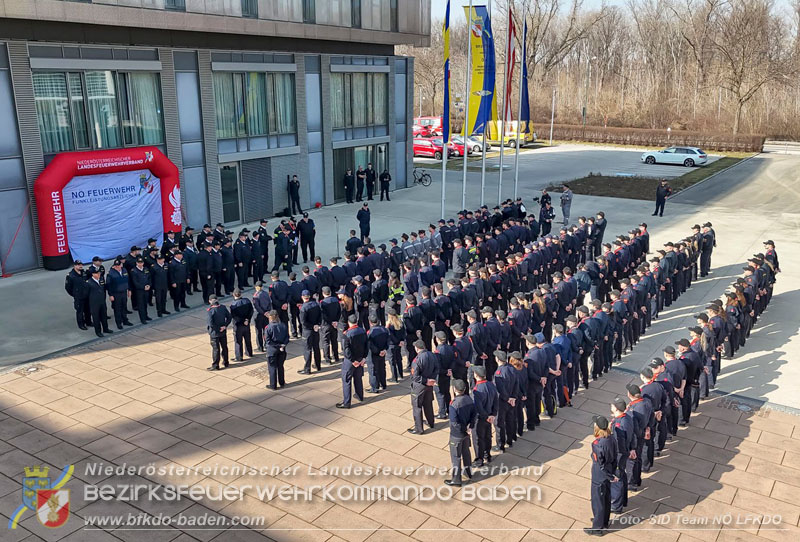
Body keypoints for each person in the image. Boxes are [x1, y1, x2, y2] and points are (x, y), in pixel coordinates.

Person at [585, 415, 617, 536]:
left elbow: (600, 463)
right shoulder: (612, 438)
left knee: (597, 501)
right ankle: (604, 521)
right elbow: (614, 456)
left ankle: (597, 527)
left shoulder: (597, 444)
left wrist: (609, 476)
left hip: (600, 475)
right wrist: (612, 473)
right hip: (609, 470)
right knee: (606, 498)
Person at [445, 379, 476, 487]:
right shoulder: (469, 399)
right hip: (466, 433)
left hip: (457, 435)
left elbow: (454, 422)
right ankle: (469, 472)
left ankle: (456, 479)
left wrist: (464, 429)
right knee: (466, 453)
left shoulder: (454, 404)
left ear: (454, 389)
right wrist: (470, 427)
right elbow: (473, 415)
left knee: (456, 457)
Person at [610, 397, 635, 514]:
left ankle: (616, 505)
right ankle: (623, 500)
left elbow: (619, 444)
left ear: (615, 408)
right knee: (622, 475)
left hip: (619, 454)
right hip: (624, 452)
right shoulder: (627, 418)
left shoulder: (619, 424)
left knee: (616, 478)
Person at [338, 314, 368, 408]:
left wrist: (352, 360)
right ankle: (360, 396)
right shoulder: (363, 331)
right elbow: (366, 345)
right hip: (360, 359)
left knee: (346, 380)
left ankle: (346, 402)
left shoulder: (347, 334)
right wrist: (364, 357)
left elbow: (346, 350)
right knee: (358, 378)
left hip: (350, 361)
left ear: (349, 322)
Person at [408, 339, 438, 434]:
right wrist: (431, 379)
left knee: (417, 407)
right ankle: (431, 422)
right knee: (428, 404)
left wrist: (426, 381)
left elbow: (415, 376)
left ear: (417, 348)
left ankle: (418, 429)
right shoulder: (432, 355)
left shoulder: (417, 360)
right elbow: (437, 368)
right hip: (429, 385)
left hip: (419, 387)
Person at [471, 365, 498, 468]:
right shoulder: (491, 385)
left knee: (478, 439)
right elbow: (496, 400)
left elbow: (478, 408)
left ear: (476, 375)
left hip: (480, 419)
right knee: (487, 436)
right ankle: (487, 454)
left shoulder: (477, 390)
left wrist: (486, 416)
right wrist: (492, 414)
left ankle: (479, 459)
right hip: (489, 417)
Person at [264, 310, 290, 389]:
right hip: (282, 349)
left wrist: (277, 345)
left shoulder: (268, 327)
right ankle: (282, 382)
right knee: (280, 366)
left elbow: (268, 341)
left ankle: (273, 385)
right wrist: (283, 345)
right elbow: (287, 337)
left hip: (272, 350)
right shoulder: (283, 325)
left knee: (272, 367)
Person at [298, 290, 322, 374]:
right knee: (316, 348)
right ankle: (318, 365)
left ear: (302, 297)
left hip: (307, 331)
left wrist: (312, 326)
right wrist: (317, 325)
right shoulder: (316, 304)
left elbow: (303, 322)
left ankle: (307, 369)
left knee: (307, 349)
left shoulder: (303, 308)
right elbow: (320, 316)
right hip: (315, 329)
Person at [206, 295, 232, 371]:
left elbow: (210, 323)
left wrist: (218, 329)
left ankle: (215, 365)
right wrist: (224, 326)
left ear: (210, 301)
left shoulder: (210, 310)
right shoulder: (223, 307)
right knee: (224, 347)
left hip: (215, 333)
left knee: (216, 349)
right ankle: (226, 362)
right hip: (223, 332)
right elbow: (229, 317)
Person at [106, 259, 133, 330]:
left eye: (119, 265)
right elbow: (108, 285)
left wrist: (129, 289)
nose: (118, 267)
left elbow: (128, 280)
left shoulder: (124, 270)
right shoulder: (111, 273)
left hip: (124, 291)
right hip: (116, 293)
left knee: (124, 307)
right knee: (117, 308)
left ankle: (125, 320)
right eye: (116, 266)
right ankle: (119, 323)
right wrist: (110, 295)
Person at [65, 260, 91, 330]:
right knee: (80, 311)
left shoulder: (84, 273)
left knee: (88, 310)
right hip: (79, 297)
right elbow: (68, 288)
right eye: (78, 265)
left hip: (86, 295)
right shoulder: (71, 276)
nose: (80, 266)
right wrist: (75, 294)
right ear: (75, 266)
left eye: (81, 264)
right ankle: (81, 324)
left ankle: (88, 322)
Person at [87, 267, 113, 338]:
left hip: (102, 301)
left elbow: (104, 288)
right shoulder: (89, 282)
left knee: (104, 316)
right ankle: (98, 331)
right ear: (93, 274)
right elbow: (86, 294)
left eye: (99, 273)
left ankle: (106, 328)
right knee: (96, 318)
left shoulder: (101, 279)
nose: (98, 274)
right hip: (94, 303)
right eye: (96, 273)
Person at [367, 314, 389, 392]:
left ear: (370, 322)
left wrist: (378, 351)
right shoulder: (384, 329)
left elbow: (371, 345)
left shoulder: (370, 332)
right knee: (382, 368)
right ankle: (383, 384)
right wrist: (384, 350)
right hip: (383, 352)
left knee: (373, 370)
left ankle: (374, 387)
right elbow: (388, 341)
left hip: (374, 354)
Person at [230, 288, 254, 361]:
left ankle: (239, 357)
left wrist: (243, 320)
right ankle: (249, 352)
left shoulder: (233, 305)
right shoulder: (247, 301)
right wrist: (247, 319)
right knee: (247, 339)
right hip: (246, 324)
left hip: (238, 325)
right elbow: (251, 311)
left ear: (233, 295)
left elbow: (234, 316)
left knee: (238, 341)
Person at [130, 257, 152, 324]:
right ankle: (142, 318)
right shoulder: (134, 271)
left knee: (145, 303)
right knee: (141, 305)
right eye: (139, 263)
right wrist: (143, 287)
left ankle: (146, 316)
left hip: (146, 289)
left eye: (141, 263)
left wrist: (149, 285)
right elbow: (135, 282)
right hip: (139, 291)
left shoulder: (145, 269)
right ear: (136, 263)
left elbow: (149, 278)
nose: (140, 264)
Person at [252, 281, 272, 353]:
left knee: (259, 331)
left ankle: (260, 347)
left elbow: (257, 306)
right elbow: (270, 303)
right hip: (267, 314)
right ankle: (267, 345)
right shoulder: (266, 294)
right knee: (266, 331)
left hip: (259, 315)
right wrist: (268, 312)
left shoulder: (256, 296)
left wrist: (263, 313)